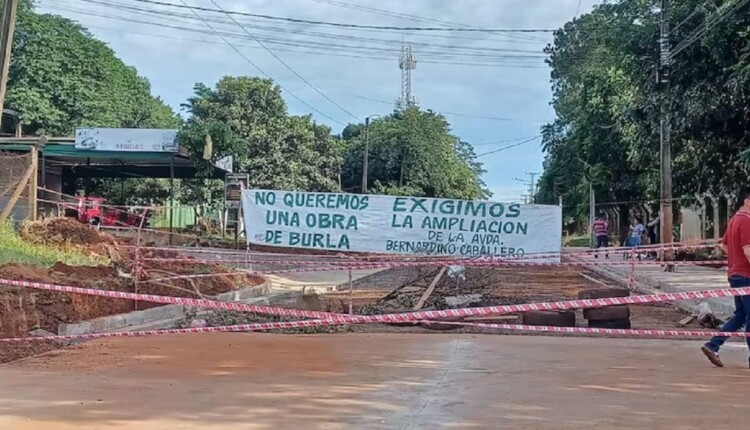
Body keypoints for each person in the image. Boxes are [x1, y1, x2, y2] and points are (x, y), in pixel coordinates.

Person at [701, 187, 750, 368]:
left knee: (741, 316)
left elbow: (724, 246)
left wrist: (735, 260)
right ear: (747, 200)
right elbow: (748, 251)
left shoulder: (734, 220)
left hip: (736, 274)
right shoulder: (745, 221)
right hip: (746, 276)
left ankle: (713, 345)